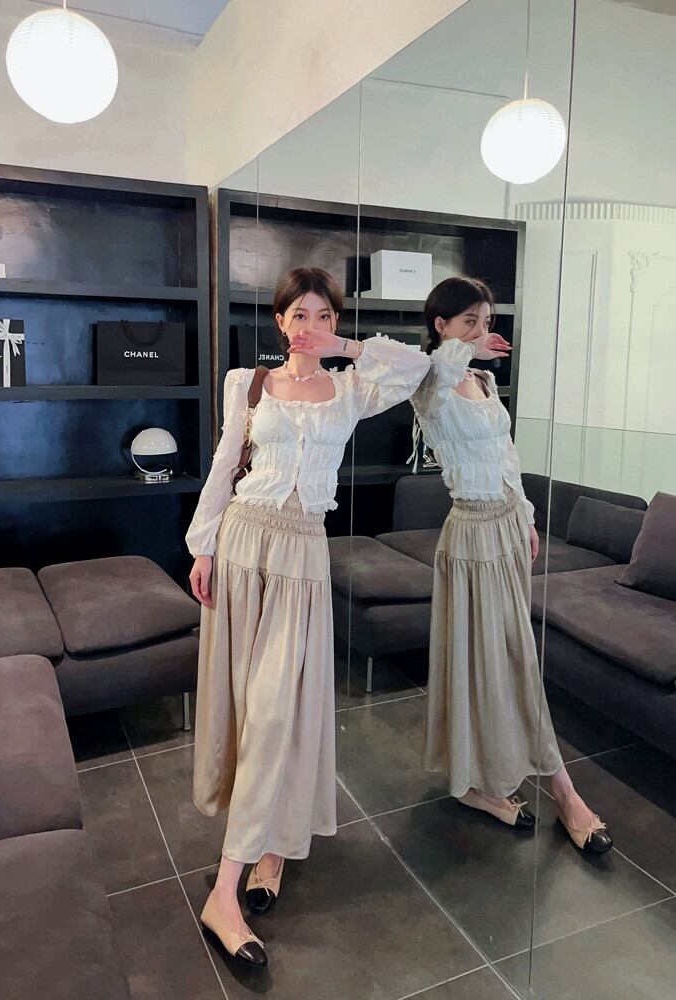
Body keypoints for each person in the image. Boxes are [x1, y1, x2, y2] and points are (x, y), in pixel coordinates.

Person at [185, 266, 432, 968]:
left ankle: (227, 889)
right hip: (243, 544)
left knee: (277, 713)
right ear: (279, 320)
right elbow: (224, 463)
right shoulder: (248, 383)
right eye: (299, 315)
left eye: (324, 315)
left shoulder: (351, 388)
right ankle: (264, 850)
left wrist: (346, 348)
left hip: (302, 554)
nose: (310, 326)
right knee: (248, 709)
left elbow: (414, 367)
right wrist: (202, 546)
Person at [410, 276, 612, 855]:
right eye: (468, 320)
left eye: (487, 320)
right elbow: (435, 371)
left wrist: (525, 515)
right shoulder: (430, 381)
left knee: (500, 661)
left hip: (506, 530)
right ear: (441, 325)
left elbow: (506, 454)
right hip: (471, 534)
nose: (482, 332)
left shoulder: (483, 380)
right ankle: (564, 794)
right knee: (501, 661)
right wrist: (462, 348)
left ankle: (484, 781)